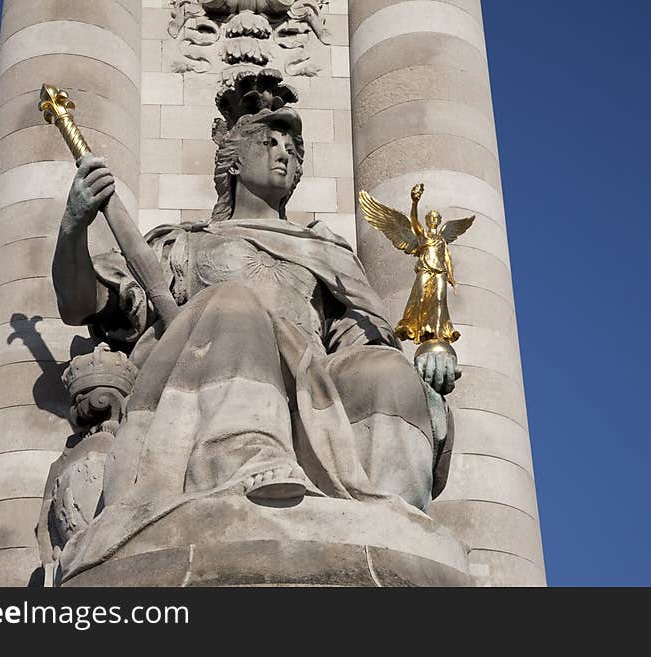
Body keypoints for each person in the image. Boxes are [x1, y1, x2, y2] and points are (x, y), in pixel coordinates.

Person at [51, 77, 459, 579]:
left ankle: (393, 522)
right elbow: (82, 304)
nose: (285, 154)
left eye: (294, 148)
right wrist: (74, 226)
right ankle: (243, 465)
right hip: (203, 374)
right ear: (233, 162)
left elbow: (358, 339)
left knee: (383, 369)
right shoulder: (185, 244)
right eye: (269, 143)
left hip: (310, 386)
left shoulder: (324, 251)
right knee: (235, 303)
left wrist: (415, 367)